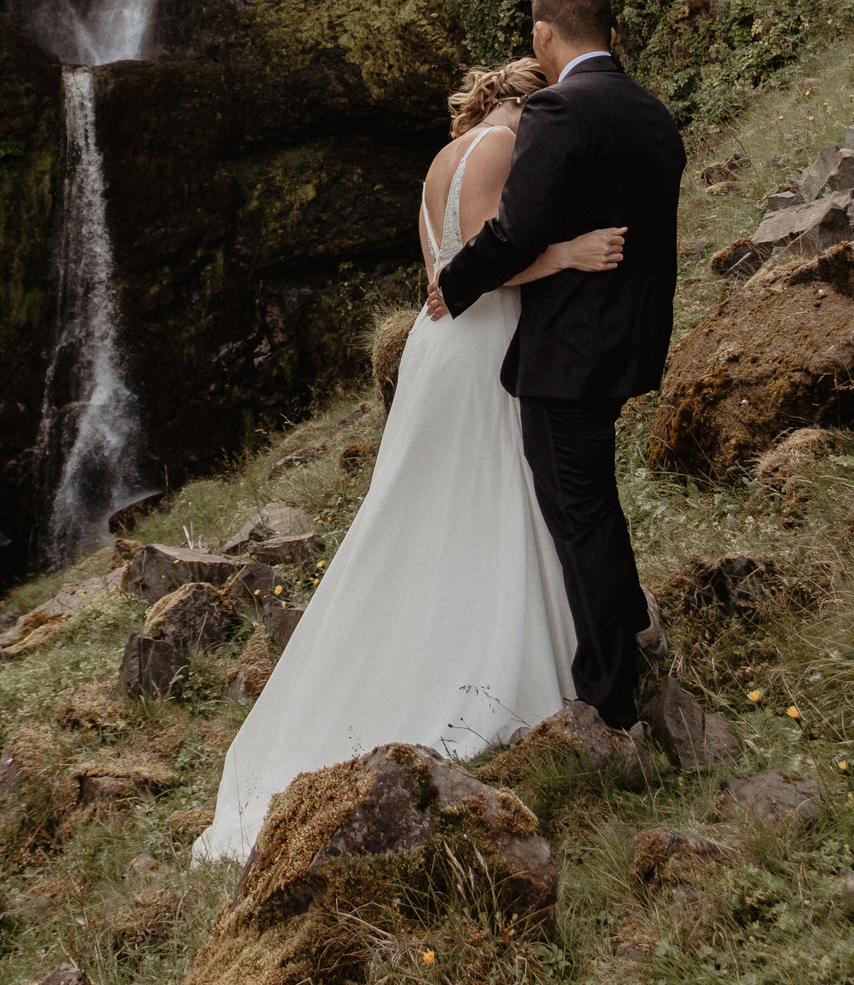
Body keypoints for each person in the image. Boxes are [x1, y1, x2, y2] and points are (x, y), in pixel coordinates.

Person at [191, 57, 627, 865]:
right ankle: (491, 654)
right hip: (481, 348)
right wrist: (567, 254)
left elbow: (436, 277)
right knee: (491, 496)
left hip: (439, 350)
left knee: (439, 507)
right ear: (528, 105)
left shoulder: (441, 159)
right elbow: (480, 268)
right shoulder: (500, 148)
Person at [432, 0, 686, 730]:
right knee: (592, 505)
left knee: (579, 515)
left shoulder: (557, 107)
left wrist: (457, 280)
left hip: (566, 353)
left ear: (545, 33)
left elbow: (515, 229)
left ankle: (610, 695)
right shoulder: (652, 111)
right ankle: (634, 636)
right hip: (627, 340)